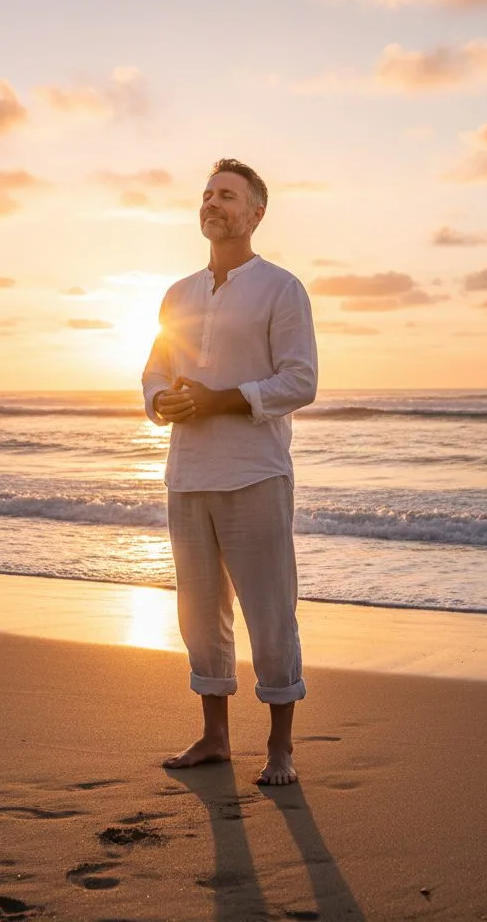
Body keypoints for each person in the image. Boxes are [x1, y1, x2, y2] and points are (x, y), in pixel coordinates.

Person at [141, 158, 318, 785]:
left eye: (228, 195)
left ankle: (280, 749)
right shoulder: (178, 294)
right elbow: (155, 371)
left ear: (255, 213)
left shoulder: (281, 288)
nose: (213, 203)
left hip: (255, 472)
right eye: (209, 194)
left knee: (270, 611)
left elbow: (301, 380)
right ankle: (215, 736)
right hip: (187, 473)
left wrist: (223, 398)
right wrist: (162, 401)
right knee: (198, 610)